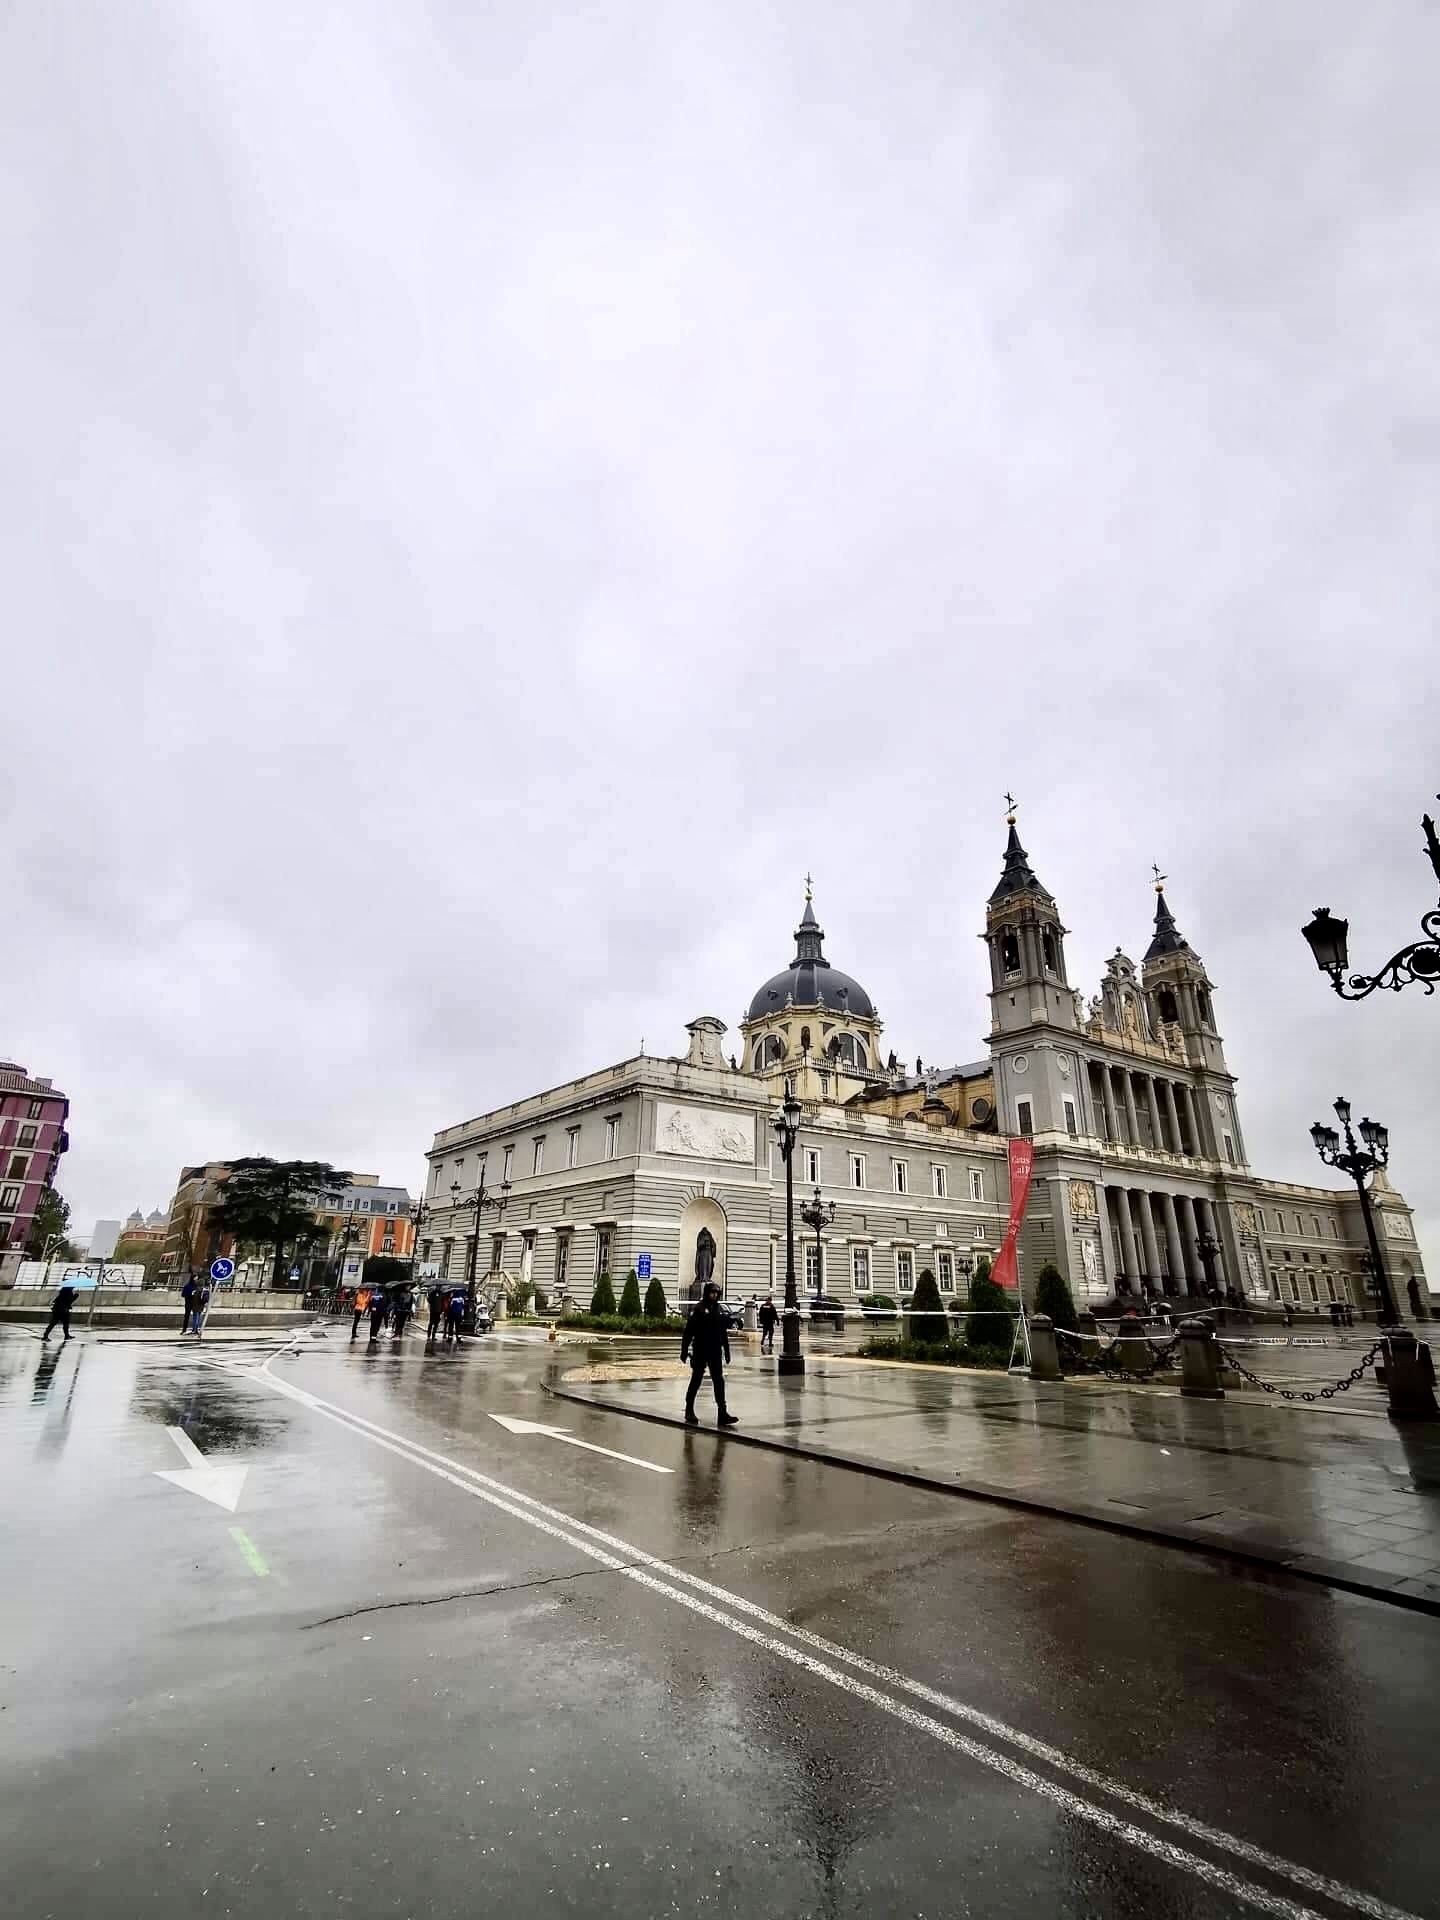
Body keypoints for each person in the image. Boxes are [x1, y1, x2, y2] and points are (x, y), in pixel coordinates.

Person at [681, 1282, 738, 1427]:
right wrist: (684, 1350)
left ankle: (722, 1413)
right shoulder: (699, 1309)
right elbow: (689, 1332)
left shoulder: (718, 1309)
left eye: (716, 1293)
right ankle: (689, 1409)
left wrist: (727, 1350)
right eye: (712, 1293)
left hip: (715, 1350)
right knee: (696, 1380)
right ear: (707, 1293)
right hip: (701, 1349)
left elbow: (722, 1332)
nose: (714, 1295)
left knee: (719, 1381)